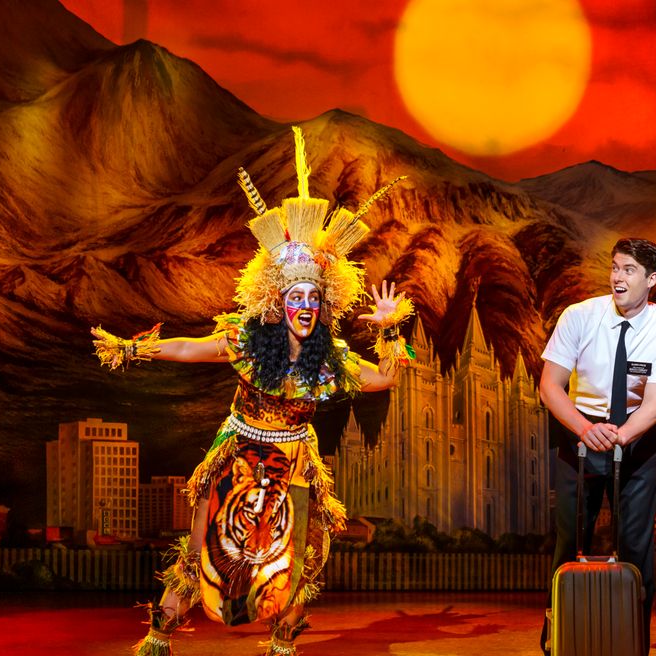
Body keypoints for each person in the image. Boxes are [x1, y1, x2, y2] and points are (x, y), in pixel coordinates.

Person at [92, 127, 414, 656]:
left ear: (324, 304)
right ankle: (158, 637)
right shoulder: (246, 340)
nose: (306, 305)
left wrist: (390, 328)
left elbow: (385, 378)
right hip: (237, 452)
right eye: (296, 296)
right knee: (197, 553)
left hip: (295, 462)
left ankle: (282, 645)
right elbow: (191, 349)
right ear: (277, 301)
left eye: (314, 296)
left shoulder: (330, 358)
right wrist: (133, 349)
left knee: (306, 555)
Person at [538, 238, 656, 655]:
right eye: (616, 268)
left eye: (630, 270)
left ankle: (634, 640)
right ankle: (558, 639)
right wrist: (586, 431)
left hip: (634, 440)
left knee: (637, 549)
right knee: (570, 542)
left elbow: (655, 402)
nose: (618, 278)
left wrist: (620, 435)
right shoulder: (580, 316)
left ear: (652, 279)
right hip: (579, 435)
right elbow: (551, 386)